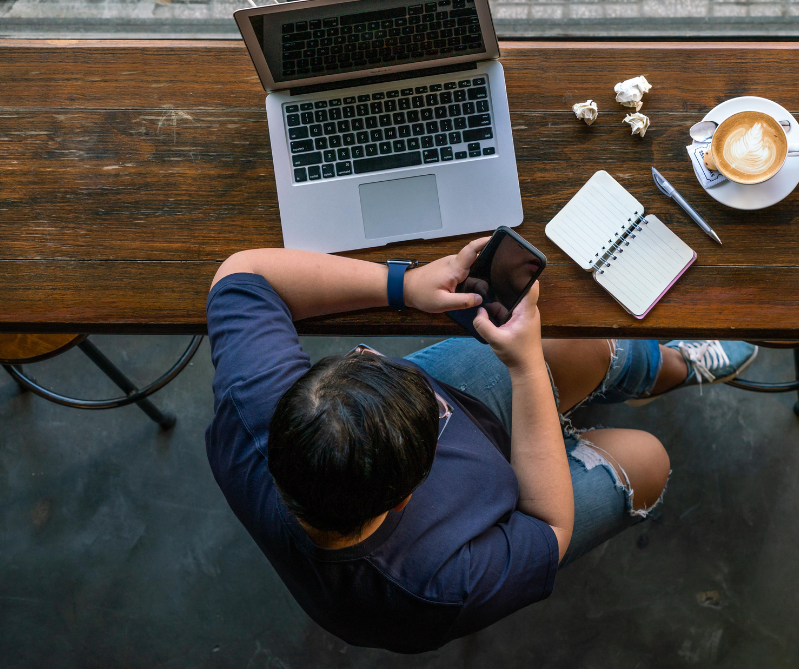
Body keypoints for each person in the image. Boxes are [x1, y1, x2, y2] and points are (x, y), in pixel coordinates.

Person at [205, 238, 757, 653]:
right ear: (406, 497)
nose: (374, 358)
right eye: (432, 414)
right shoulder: (432, 588)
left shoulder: (252, 410)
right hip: (523, 514)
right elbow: (549, 529)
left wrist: (404, 285)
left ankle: (667, 366)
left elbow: (243, 273)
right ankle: (598, 411)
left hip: (420, 464)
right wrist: (523, 367)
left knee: (575, 348)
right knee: (648, 460)